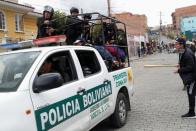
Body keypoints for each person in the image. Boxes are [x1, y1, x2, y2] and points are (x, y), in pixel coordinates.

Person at [174, 37, 196, 118]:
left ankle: (192, 112)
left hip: (193, 78)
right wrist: (180, 65)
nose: (175, 45)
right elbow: (184, 62)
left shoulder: (188, 54)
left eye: (176, 44)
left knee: (191, 94)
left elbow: (191, 67)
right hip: (190, 77)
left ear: (181, 45)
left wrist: (179, 70)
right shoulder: (182, 51)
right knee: (191, 93)